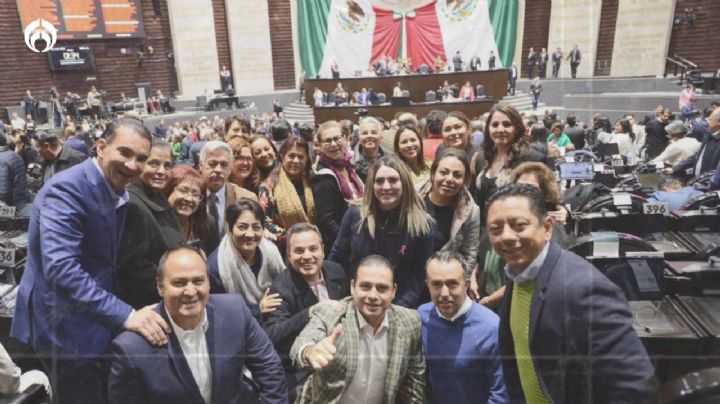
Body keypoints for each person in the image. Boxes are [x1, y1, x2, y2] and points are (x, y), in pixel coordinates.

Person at [11, 117, 171, 404]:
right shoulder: (66, 191)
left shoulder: (116, 188)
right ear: (101, 147)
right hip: (64, 326)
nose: (133, 165)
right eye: (125, 152)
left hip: (95, 317)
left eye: (141, 158)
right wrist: (127, 315)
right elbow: (62, 270)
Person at [486, 184, 657, 402]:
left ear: (547, 227)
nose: (507, 237)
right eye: (495, 229)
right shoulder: (516, 272)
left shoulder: (584, 289)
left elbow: (635, 387)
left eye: (519, 225)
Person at [108, 246, 288, 404]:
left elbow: (270, 368)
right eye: (179, 283)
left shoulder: (235, 311)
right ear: (160, 286)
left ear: (209, 282)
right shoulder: (131, 347)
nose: (190, 291)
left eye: (198, 281)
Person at [290, 255, 426, 403]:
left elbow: (416, 380)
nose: (373, 296)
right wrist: (310, 352)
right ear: (352, 287)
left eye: (382, 288)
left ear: (393, 291)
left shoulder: (409, 322)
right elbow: (301, 345)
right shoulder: (332, 314)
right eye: (365, 286)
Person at [329, 157, 435, 308]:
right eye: (379, 181)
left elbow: (419, 276)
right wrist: (337, 299)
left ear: (404, 183)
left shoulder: (422, 225)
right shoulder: (355, 214)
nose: (386, 186)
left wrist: (398, 308)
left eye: (393, 180)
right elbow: (336, 259)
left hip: (399, 304)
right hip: (356, 301)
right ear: (371, 185)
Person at [262, 223, 349, 398]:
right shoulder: (280, 287)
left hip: (341, 354)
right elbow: (273, 335)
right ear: (288, 255)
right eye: (299, 251)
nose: (307, 256)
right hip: (301, 366)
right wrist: (311, 312)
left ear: (323, 250)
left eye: (313, 249)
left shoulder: (336, 270)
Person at [419, 251, 507, 403]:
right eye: (436, 284)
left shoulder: (491, 328)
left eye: (452, 284)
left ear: (466, 284)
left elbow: (501, 394)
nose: (444, 293)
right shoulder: (421, 317)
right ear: (427, 285)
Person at [116, 141, 185, 309]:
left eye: (167, 166)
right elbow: (135, 269)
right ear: (140, 164)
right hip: (152, 305)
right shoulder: (132, 205)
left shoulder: (158, 196)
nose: (161, 171)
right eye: (154, 163)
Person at [208, 199, 285, 320]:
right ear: (230, 229)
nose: (249, 234)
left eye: (256, 227)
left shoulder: (271, 251)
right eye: (242, 227)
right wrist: (258, 309)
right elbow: (221, 313)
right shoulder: (217, 267)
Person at [474, 104, 546, 222]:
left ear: (517, 128)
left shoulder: (533, 158)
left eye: (507, 124)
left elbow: (546, 201)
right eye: (495, 125)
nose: (500, 129)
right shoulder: (482, 158)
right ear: (488, 129)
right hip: (485, 233)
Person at [418, 149, 480, 276]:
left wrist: (463, 281)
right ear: (433, 174)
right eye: (444, 172)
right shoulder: (413, 198)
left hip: (445, 279)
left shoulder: (471, 211)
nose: (449, 179)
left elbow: (469, 254)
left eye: (457, 175)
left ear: (465, 180)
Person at [312, 121, 364, 254]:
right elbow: (326, 221)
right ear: (320, 146)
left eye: (337, 138)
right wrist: (349, 242)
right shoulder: (323, 177)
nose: (334, 144)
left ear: (346, 138)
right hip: (343, 247)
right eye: (327, 141)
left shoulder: (350, 166)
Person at [199, 140, 257, 253]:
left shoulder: (246, 198)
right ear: (201, 165)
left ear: (230, 169)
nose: (218, 170)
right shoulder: (190, 195)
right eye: (212, 164)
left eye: (224, 165)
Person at [258, 137, 316, 243]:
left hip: (314, 242)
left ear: (307, 158)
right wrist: (293, 236)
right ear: (282, 156)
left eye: (300, 157)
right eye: (291, 156)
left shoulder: (313, 181)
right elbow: (262, 219)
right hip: (283, 245)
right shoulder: (269, 185)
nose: (296, 161)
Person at [165, 166, 211, 251]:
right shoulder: (157, 224)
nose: (189, 198)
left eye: (195, 194)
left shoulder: (207, 223)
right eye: (183, 191)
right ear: (168, 191)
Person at [672, 106, 720, 180]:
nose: (706, 120)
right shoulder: (708, 134)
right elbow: (698, 155)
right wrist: (675, 169)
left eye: (710, 119)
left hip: (708, 185)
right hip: (697, 180)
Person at [352, 117, 394, 182]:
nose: (369, 136)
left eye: (374, 132)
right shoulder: (351, 163)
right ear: (359, 138)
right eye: (365, 133)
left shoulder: (392, 158)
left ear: (381, 137)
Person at [0, 133, 31, 210]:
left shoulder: (1, 160)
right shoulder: (14, 155)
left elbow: (2, 194)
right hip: (22, 204)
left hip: (10, 211)